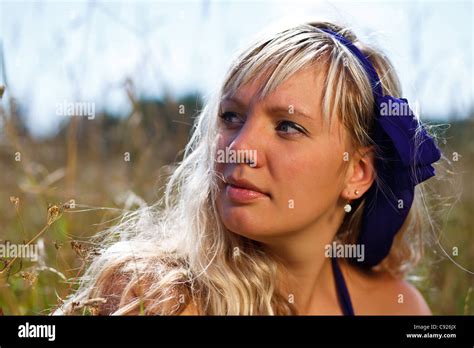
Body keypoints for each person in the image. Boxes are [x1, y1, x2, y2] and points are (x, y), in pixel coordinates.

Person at [57, 20, 441, 316]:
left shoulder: (395, 305)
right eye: (231, 117)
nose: (238, 149)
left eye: (288, 126)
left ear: (357, 172)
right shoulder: (157, 296)